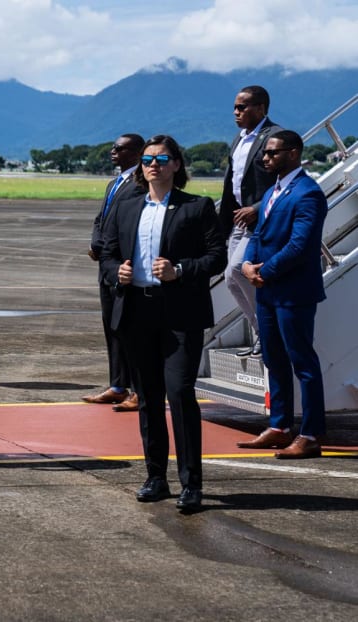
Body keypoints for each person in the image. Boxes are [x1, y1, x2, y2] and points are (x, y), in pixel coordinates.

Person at [100, 135, 226, 512]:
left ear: (176, 165)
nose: (153, 165)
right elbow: (107, 253)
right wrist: (115, 272)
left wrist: (181, 270)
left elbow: (217, 257)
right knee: (148, 398)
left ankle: (191, 484)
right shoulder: (126, 207)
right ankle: (156, 477)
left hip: (179, 314)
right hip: (137, 310)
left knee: (180, 393)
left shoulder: (197, 207)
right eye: (147, 159)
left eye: (162, 158)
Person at [238, 130, 327, 459]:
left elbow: (301, 245)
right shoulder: (275, 191)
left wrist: (264, 272)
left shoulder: (308, 194)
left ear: (293, 154)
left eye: (272, 153)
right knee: (273, 360)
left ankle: (312, 433)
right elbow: (258, 232)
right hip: (267, 291)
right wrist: (247, 263)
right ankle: (279, 426)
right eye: (265, 153)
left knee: (303, 363)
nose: (265, 158)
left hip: (292, 292)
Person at [219, 86, 283, 358]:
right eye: (235, 107)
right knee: (229, 278)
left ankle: (269, 332)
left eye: (242, 107)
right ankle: (262, 333)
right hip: (237, 219)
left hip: (259, 219)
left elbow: (283, 182)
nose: (236, 112)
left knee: (237, 269)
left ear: (261, 108)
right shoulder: (239, 139)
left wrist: (256, 208)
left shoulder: (274, 137)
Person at [84, 134, 144, 412]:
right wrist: (95, 244)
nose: (112, 152)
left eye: (119, 148)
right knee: (111, 327)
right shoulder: (114, 183)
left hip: (123, 264)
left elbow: (131, 223)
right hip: (105, 263)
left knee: (130, 329)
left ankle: (138, 390)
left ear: (136, 152)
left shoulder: (140, 183)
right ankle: (117, 385)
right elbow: (101, 218)